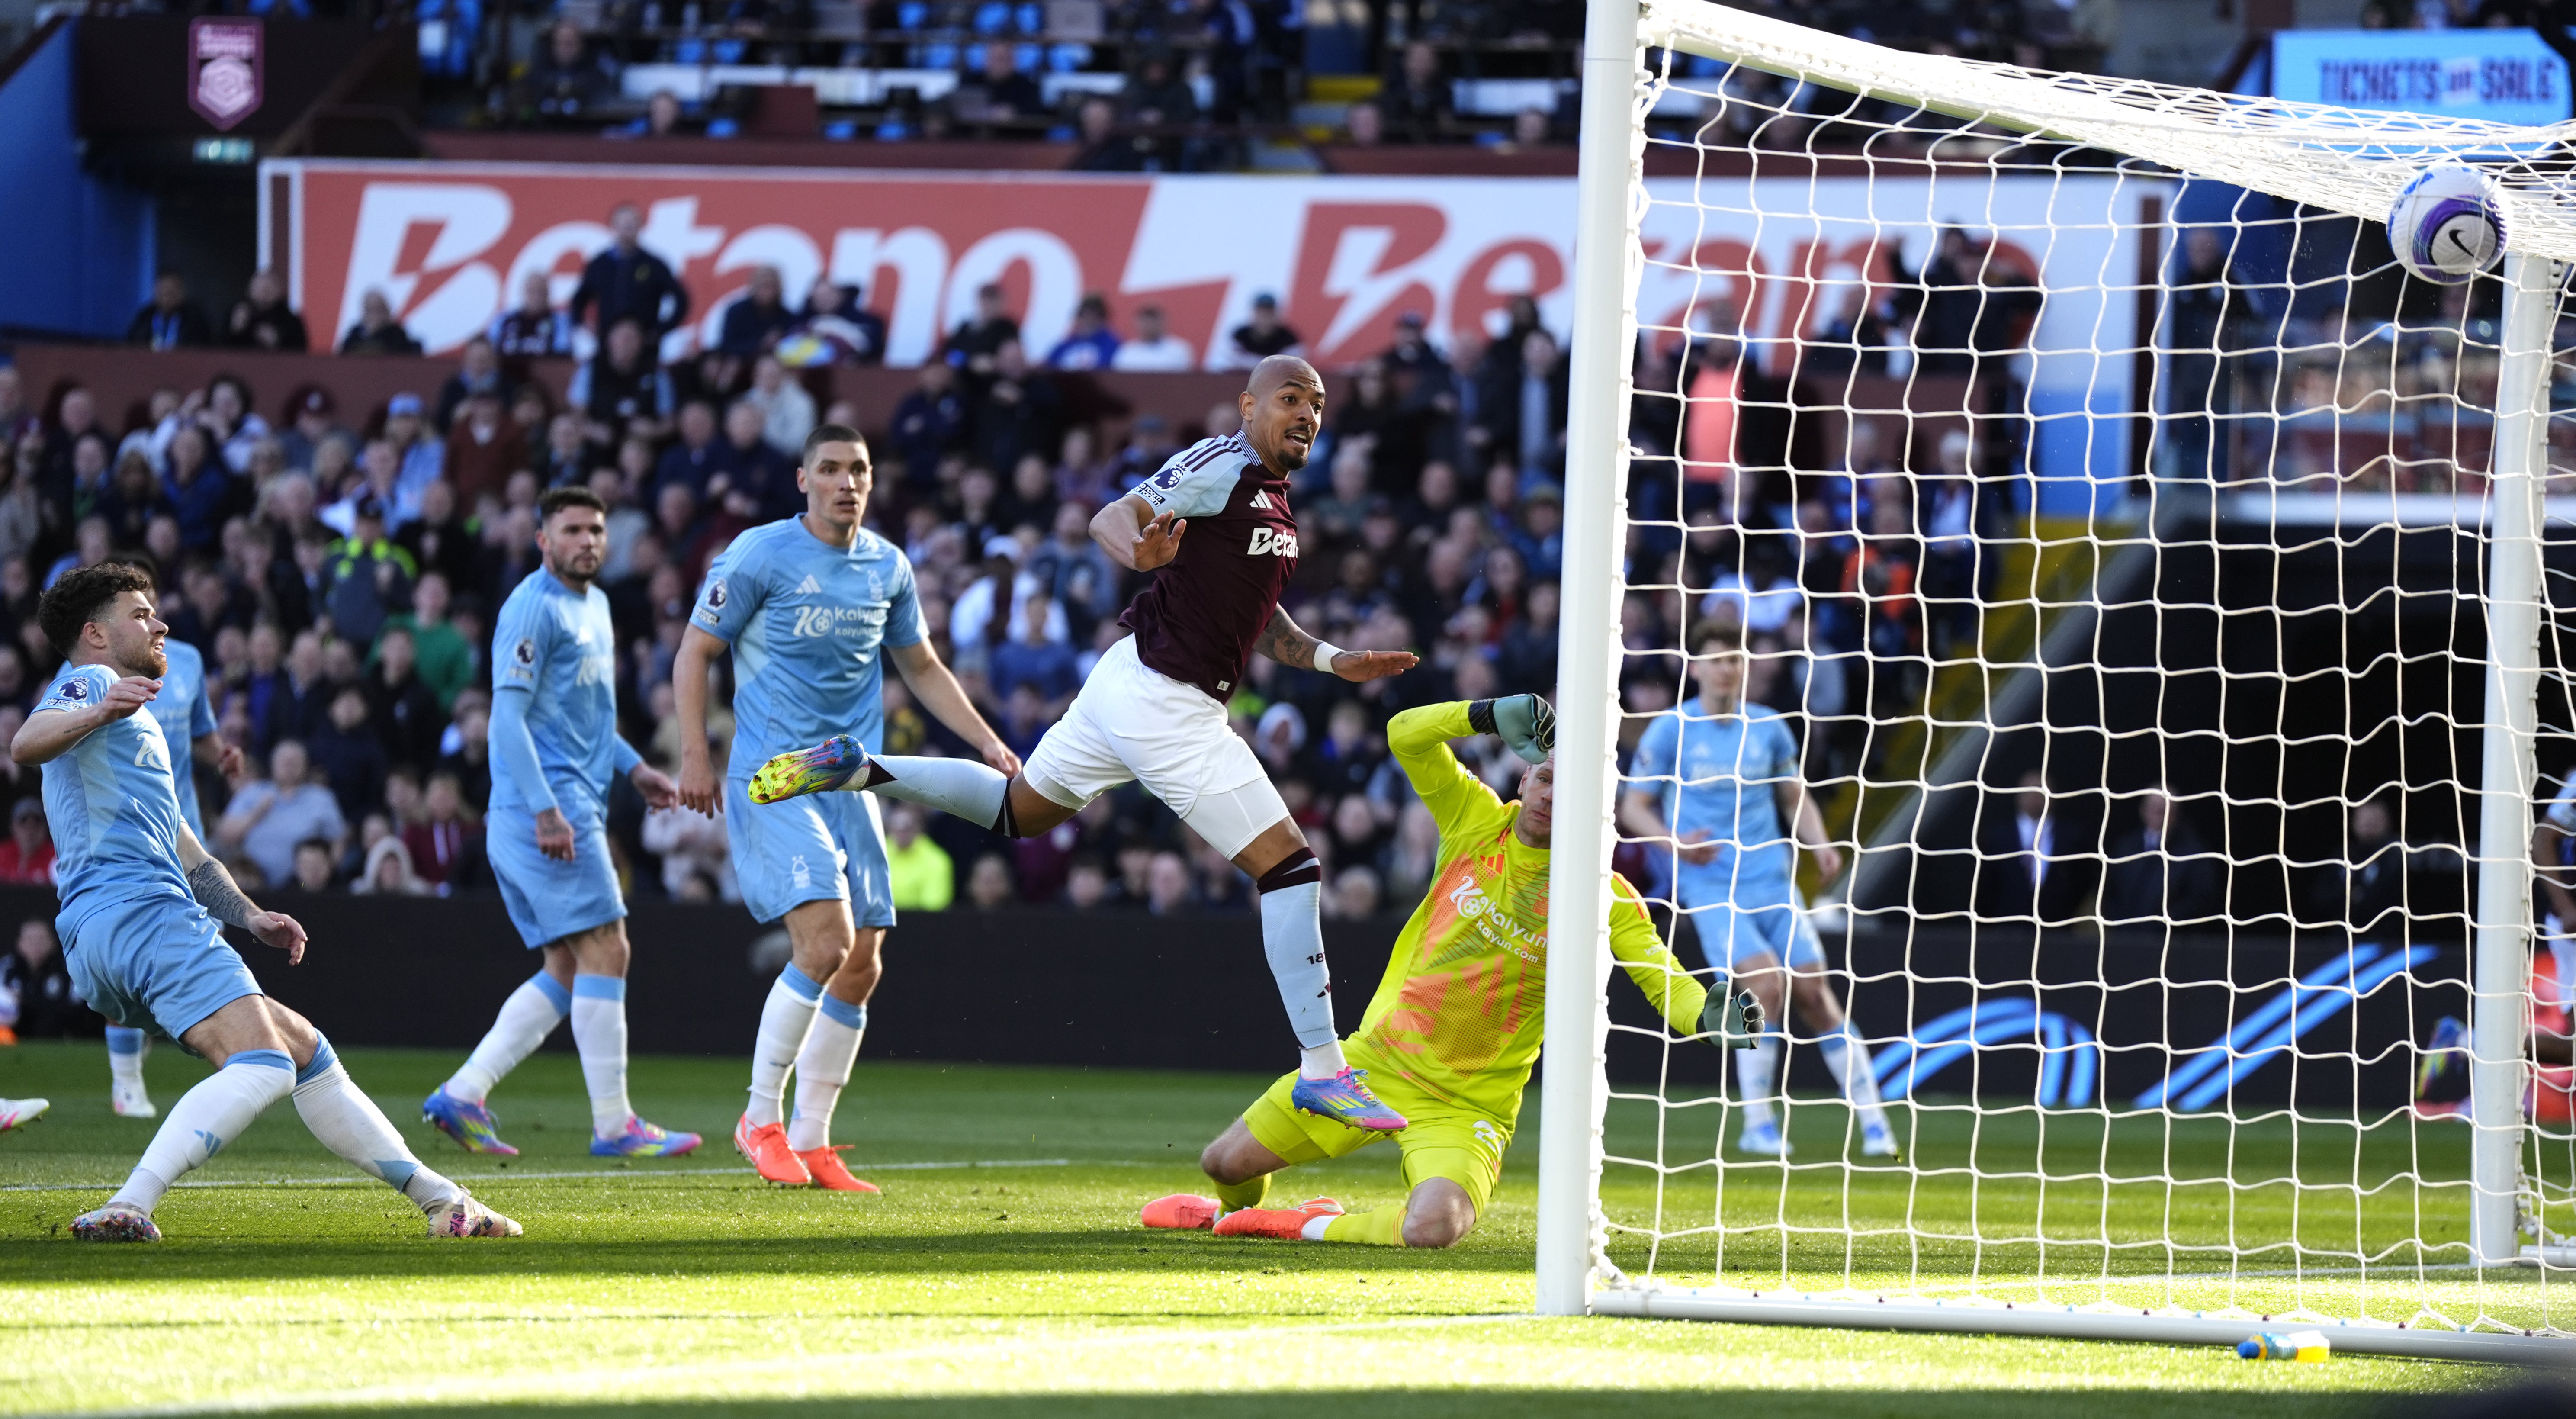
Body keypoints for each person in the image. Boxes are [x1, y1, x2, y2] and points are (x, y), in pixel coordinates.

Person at [747, 357, 1420, 1132]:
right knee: (1292, 866)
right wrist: (1136, 549)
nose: (1306, 413)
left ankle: (860, 766)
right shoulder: (1222, 463)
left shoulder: (1271, 500)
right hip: (1165, 701)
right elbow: (1114, 514)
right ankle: (1323, 1068)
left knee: (1017, 810)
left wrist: (1338, 661)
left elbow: (1259, 621)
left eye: (1318, 404)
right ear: (1249, 405)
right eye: (1290, 399)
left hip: (1126, 685)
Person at [13, 563, 517, 1242]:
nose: (160, 622)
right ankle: (131, 1201)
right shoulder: (95, 683)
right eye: (141, 613)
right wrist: (102, 705)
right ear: (94, 633)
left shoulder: (130, 724)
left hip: (108, 932)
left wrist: (247, 913)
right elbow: (24, 742)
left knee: (304, 1047)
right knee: (264, 1062)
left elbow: (186, 846)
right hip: (140, 913)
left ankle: (443, 1201)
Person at [1138, 694, 1726, 1244]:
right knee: (1223, 1161)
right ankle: (1227, 1210)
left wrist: (1707, 1011)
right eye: (1546, 778)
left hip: (1469, 1103)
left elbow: (1661, 977)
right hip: (1371, 1065)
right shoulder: (1475, 821)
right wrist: (1485, 713)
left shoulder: (1604, 893)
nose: (1551, 795)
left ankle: (1305, 1224)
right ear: (1525, 778)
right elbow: (1404, 735)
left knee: (1432, 1226)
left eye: (1571, 790)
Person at [672, 424, 1015, 1191]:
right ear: (803, 479)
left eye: (857, 468)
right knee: (823, 942)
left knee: (863, 963)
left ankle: (813, 1138)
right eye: (829, 469)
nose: (845, 481)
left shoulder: (887, 566)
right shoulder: (760, 554)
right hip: (774, 775)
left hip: (848, 779)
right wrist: (696, 754)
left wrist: (987, 742)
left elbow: (920, 664)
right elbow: (694, 651)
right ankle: (758, 1117)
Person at [419, 488, 695, 1160]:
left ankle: (464, 1092)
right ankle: (614, 1124)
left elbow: (589, 720)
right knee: (610, 946)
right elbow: (507, 720)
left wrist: (634, 769)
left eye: (596, 529)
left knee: (570, 963)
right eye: (572, 529)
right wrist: (546, 810)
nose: (588, 540)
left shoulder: (596, 605)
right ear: (543, 538)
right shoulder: (532, 607)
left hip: (571, 802)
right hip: (545, 809)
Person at [1620, 621, 1895, 1160]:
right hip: (1712, 887)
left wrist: (1819, 845)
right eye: (1718, 660)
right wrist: (1674, 844)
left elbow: (1794, 798)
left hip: (1772, 879)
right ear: (1695, 667)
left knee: (1816, 995)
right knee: (1765, 987)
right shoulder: (1670, 731)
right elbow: (1633, 807)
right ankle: (1757, 1125)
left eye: (1736, 660)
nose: (1728, 669)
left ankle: (1875, 1125)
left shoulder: (1767, 727)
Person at [103, 554, 248, 1120]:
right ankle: (127, 1081)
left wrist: (223, 756)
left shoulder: (183, 659)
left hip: (183, 829)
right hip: (123, 835)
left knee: (191, 950)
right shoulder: (99, 665)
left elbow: (202, 733)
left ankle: (218, 1051)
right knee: (127, 954)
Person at [571, 203, 690, 340]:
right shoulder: (600, 264)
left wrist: (661, 330)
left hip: (645, 344)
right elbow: (580, 298)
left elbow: (681, 298)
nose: (627, 228)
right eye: (623, 224)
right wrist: (582, 325)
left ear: (641, 226)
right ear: (613, 226)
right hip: (606, 343)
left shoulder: (654, 265)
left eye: (632, 223)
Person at [225, 270, 308, 352]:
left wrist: (278, 342)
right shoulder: (238, 313)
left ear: (279, 290)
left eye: (269, 287)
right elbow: (219, 348)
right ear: (250, 289)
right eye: (259, 287)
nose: (264, 293)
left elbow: (300, 352)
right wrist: (235, 330)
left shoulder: (290, 321)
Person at [128, 271, 213, 351]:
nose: (166, 298)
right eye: (162, 293)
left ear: (182, 293)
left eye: (170, 293)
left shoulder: (195, 320)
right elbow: (132, 345)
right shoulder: (145, 317)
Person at [1109, 305, 1195, 372]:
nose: (1149, 324)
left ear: (1163, 322)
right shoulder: (1126, 351)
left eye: (1154, 319)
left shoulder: (1179, 350)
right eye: (1145, 320)